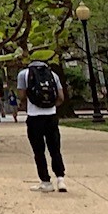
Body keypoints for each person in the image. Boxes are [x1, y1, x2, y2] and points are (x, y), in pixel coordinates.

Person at [17, 59, 69, 192]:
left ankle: (46, 182)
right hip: (51, 116)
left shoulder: (24, 74)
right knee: (55, 148)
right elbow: (61, 97)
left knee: (38, 151)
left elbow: (22, 95)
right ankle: (60, 179)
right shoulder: (53, 74)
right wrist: (51, 106)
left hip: (34, 117)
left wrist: (27, 105)